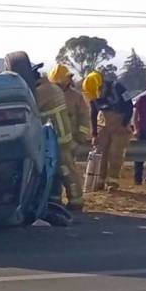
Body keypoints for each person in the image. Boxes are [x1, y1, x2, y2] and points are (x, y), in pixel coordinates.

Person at [84, 71, 133, 191]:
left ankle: (113, 181)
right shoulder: (93, 94)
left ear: (103, 85)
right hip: (103, 123)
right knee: (101, 152)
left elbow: (130, 106)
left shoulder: (118, 88)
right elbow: (93, 113)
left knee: (116, 152)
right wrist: (94, 133)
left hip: (120, 123)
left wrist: (124, 124)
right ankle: (99, 180)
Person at [45, 64, 85, 210]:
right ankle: (55, 200)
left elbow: (84, 117)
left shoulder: (76, 97)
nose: (68, 81)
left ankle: (76, 202)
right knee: (53, 173)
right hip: (51, 141)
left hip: (68, 142)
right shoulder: (49, 95)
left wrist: (81, 136)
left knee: (68, 173)